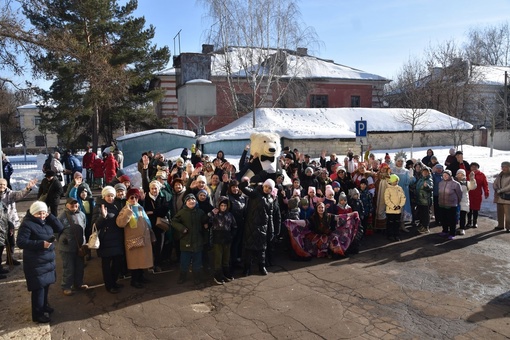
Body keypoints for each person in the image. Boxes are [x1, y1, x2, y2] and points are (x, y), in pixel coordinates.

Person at [17, 201, 64, 323]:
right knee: (39, 289)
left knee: (46, 286)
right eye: (39, 213)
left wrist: (50, 216)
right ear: (33, 213)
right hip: (35, 262)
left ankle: (44, 306)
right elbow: (21, 242)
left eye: (44, 213)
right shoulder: (27, 224)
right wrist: (40, 244)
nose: (42, 216)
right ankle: (38, 315)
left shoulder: (46, 220)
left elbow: (60, 228)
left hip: (47, 261)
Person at [239, 177, 279, 276]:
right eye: (265, 186)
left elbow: (270, 216)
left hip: (263, 227)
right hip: (251, 225)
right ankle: (246, 268)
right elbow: (243, 188)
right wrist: (245, 182)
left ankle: (262, 266)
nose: (267, 189)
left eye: (269, 188)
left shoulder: (270, 199)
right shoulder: (255, 193)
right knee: (249, 249)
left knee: (262, 249)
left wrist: (271, 230)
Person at [116, 188, 154, 289]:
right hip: (133, 240)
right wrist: (128, 212)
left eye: (136, 197)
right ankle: (134, 280)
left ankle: (141, 277)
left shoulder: (140, 207)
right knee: (135, 262)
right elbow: (120, 223)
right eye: (131, 197)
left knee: (142, 260)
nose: (134, 199)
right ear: (128, 198)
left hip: (143, 238)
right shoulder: (125, 209)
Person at [91, 186, 124, 294]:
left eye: (112, 196)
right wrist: (103, 217)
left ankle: (114, 282)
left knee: (117, 263)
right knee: (106, 265)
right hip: (105, 240)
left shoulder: (115, 205)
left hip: (117, 238)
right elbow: (94, 225)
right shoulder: (99, 207)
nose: (110, 198)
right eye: (108, 196)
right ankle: (109, 286)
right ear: (104, 196)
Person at [172, 193, 209, 284]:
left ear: (196, 202)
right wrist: (182, 228)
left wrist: (207, 226)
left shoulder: (200, 212)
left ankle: (197, 276)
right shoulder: (182, 212)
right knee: (184, 261)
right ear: (185, 203)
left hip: (198, 241)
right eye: (189, 200)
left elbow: (206, 222)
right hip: (186, 241)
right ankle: (182, 276)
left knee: (197, 261)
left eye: (193, 200)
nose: (191, 201)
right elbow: (174, 222)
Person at [0, 177, 37, 267]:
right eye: (0, 184)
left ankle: (10, 258)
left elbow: (20, 195)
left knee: (11, 242)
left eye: (3, 184)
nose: (2, 186)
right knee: (0, 245)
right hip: (0, 223)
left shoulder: (10, 194)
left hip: (9, 221)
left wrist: (28, 188)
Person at [57, 198, 88, 296]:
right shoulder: (61, 217)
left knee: (80, 267)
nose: (74, 206)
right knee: (68, 268)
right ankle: (66, 286)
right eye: (71, 204)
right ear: (66, 205)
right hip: (67, 248)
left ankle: (78, 284)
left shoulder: (82, 215)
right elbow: (56, 231)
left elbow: (84, 228)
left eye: (76, 204)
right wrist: (62, 240)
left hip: (80, 246)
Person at [143, 181, 170, 273]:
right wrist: (157, 211)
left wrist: (152, 212)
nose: (154, 190)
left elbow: (165, 210)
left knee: (159, 246)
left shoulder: (162, 197)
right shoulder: (145, 199)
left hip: (160, 226)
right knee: (149, 246)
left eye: (156, 188)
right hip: (148, 226)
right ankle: (150, 264)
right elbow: (144, 211)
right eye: (152, 188)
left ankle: (158, 264)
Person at [209, 196, 237, 284]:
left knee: (226, 257)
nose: (223, 207)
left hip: (227, 239)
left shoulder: (230, 215)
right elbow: (206, 221)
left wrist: (231, 235)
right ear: (218, 205)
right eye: (221, 206)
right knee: (218, 258)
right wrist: (211, 213)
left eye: (225, 206)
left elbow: (234, 226)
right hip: (217, 239)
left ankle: (226, 272)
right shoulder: (215, 215)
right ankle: (218, 275)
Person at [438, 170, 462, 240]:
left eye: (446, 175)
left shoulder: (456, 184)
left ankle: (452, 233)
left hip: (451, 205)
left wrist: (456, 202)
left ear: (450, 175)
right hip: (442, 204)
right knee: (443, 218)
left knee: (452, 220)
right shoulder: (441, 183)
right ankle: (445, 231)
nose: (445, 176)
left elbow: (459, 195)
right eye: (444, 175)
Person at [384, 174, 406, 242]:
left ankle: (396, 235)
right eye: (395, 181)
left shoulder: (400, 188)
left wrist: (400, 205)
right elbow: (387, 200)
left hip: (398, 210)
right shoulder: (388, 189)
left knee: (397, 223)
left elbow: (403, 197)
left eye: (397, 181)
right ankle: (390, 235)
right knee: (390, 223)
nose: (396, 182)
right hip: (390, 210)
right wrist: (393, 206)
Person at [468, 162, 489, 228]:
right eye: (472, 167)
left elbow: (485, 184)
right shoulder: (468, 174)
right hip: (469, 194)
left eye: (475, 166)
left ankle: (475, 222)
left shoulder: (481, 175)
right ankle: (469, 222)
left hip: (477, 194)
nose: (473, 168)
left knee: (475, 209)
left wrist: (486, 192)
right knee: (469, 209)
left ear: (477, 167)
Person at [455, 169, 477, 235]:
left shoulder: (467, 183)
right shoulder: (453, 181)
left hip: (464, 201)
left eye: (462, 174)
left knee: (462, 216)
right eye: (459, 174)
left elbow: (473, 187)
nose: (460, 176)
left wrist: (472, 179)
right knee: (454, 216)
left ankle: (462, 228)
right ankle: (452, 228)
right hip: (454, 201)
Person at [415, 167, 434, 233]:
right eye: (423, 172)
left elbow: (431, 188)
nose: (425, 173)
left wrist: (427, 186)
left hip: (426, 200)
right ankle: (422, 225)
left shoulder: (429, 180)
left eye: (426, 172)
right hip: (420, 200)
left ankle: (426, 227)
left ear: (429, 173)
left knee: (426, 214)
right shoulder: (421, 179)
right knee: (421, 214)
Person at [493, 161, 510, 232]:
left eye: (505, 167)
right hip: (499, 197)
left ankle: (508, 227)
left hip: (507, 197)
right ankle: (500, 225)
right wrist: (496, 188)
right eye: (502, 167)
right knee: (500, 212)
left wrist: (501, 190)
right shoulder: (500, 175)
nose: (504, 168)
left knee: (508, 213)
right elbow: (495, 183)